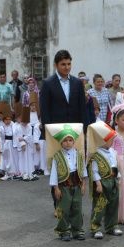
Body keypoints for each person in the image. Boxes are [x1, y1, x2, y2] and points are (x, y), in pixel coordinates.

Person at [40, 50, 88, 209]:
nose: (66, 67)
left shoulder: (77, 83)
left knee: (73, 165)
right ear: (56, 65)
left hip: (74, 131)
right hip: (56, 133)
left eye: (69, 64)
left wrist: (84, 129)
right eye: (63, 64)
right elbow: (44, 110)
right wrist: (47, 133)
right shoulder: (48, 83)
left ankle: (73, 202)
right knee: (58, 167)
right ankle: (58, 204)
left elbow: (82, 107)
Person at [46, 123, 88, 241]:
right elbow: (54, 173)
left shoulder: (79, 155)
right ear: (61, 142)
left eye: (70, 140)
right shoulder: (57, 156)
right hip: (64, 186)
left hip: (77, 185)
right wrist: (56, 188)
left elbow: (83, 169)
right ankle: (64, 231)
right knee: (64, 208)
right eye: (65, 140)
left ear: (74, 141)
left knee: (77, 208)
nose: (68, 142)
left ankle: (77, 230)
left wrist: (84, 184)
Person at [87, 121, 122, 239]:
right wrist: (98, 183)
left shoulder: (113, 151)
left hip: (113, 181)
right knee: (99, 205)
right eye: (110, 139)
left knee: (113, 204)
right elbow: (94, 171)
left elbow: (115, 165)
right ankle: (95, 227)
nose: (112, 141)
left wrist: (119, 177)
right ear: (102, 140)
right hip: (102, 182)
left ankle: (111, 225)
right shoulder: (96, 154)